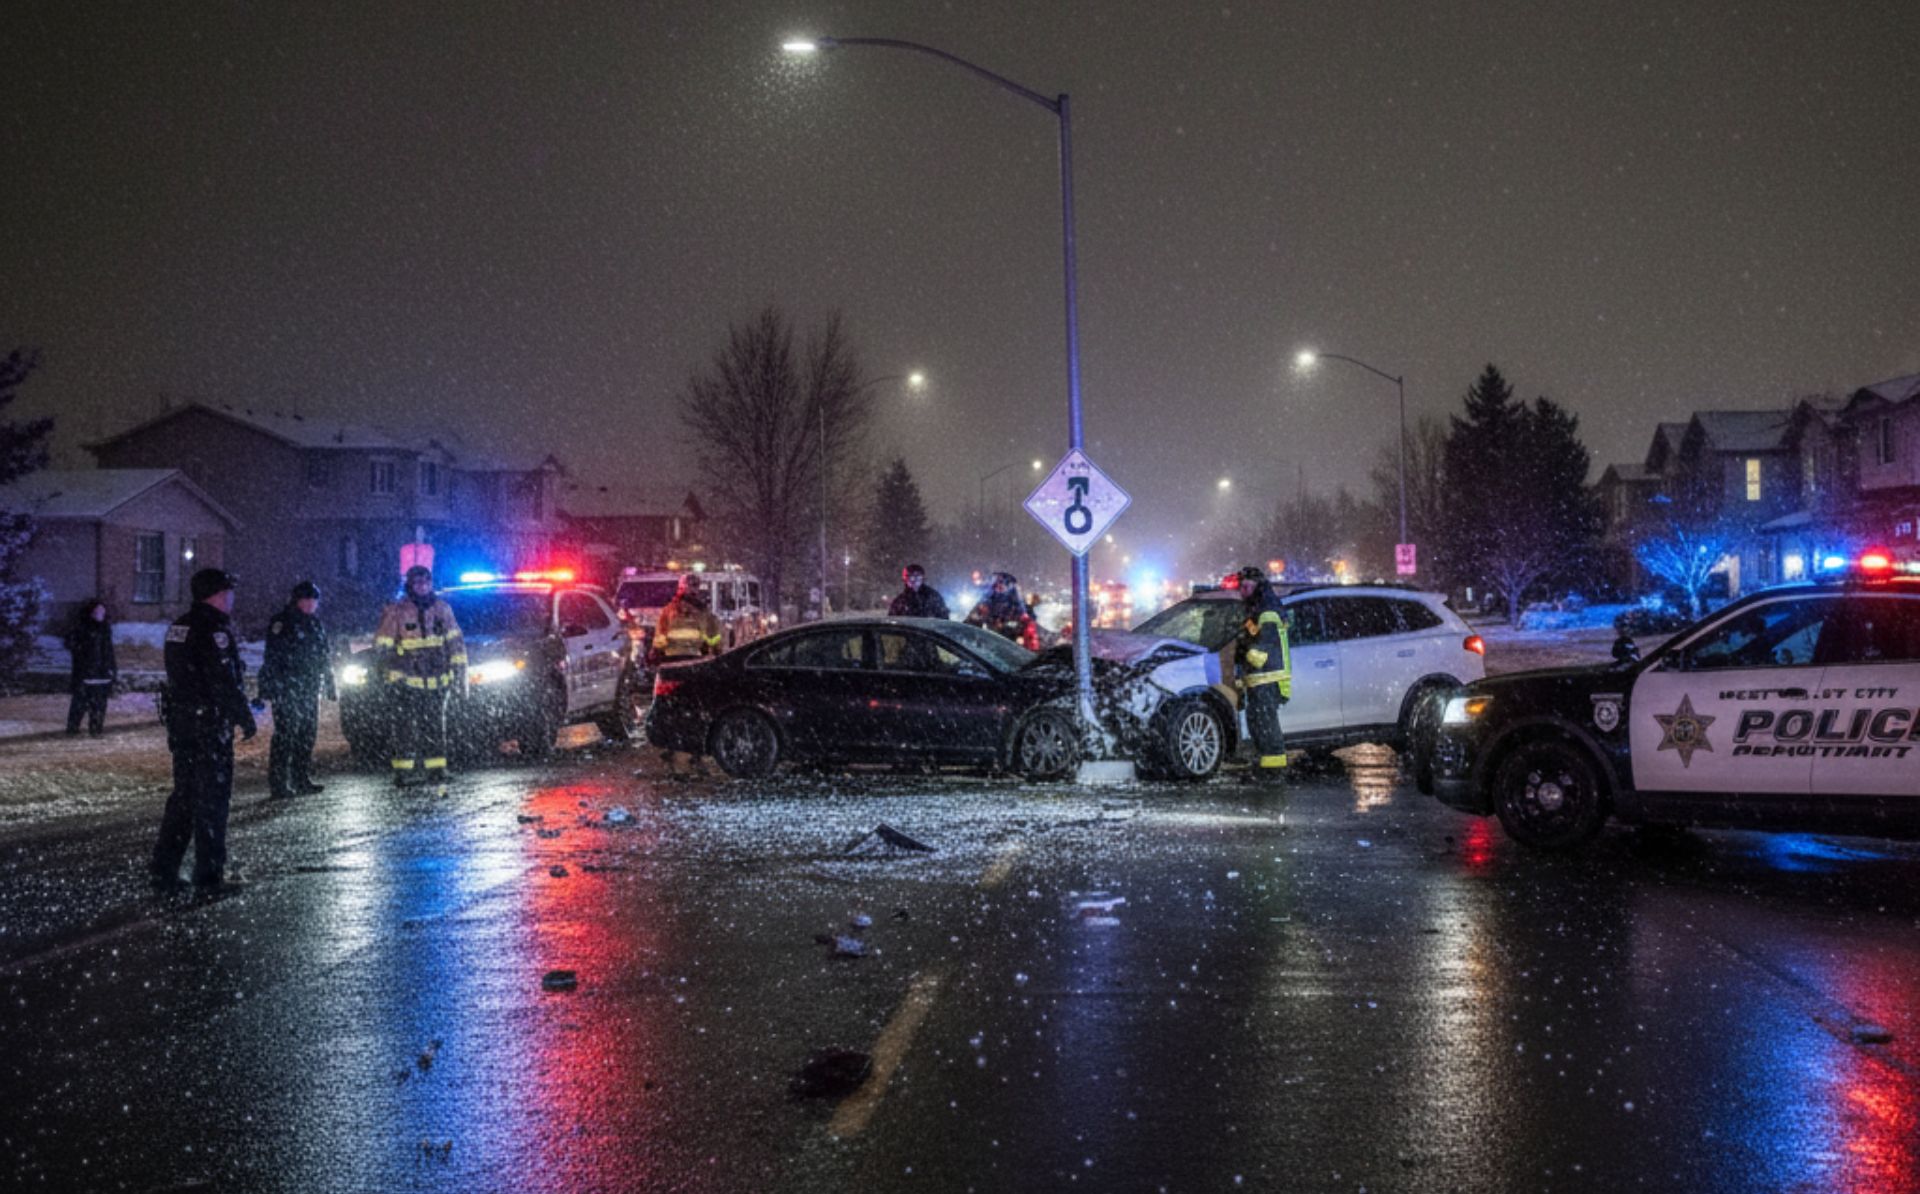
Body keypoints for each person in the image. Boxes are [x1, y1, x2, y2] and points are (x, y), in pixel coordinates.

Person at [150, 569, 256, 891]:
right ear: (217, 594)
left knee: (184, 796)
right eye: (228, 591)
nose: (232, 598)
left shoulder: (178, 627)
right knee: (212, 799)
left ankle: (164, 870)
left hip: (182, 723)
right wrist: (243, 715)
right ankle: (209, 876)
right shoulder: (214, 630)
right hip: (209, 725)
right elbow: (222, 681)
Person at [375, 565, 466, 790]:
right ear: (410, 585)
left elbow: (455, 643)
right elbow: (382, 646)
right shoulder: (397, 611)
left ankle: (436, 769)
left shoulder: (442, 609)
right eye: (418, 583)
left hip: (438, 680)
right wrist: (392, 675)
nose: (423, 587)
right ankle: (403, 773)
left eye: (426, 582)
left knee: (435, 726)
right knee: (406, 728)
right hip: (407, 681)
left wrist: (457, 673)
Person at [259, 580, 335, 799]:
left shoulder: (315, 624)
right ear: (297, 600)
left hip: (309, 688)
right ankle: (280, 782)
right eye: (307, 600)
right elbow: (273, 656)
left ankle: (301, 777)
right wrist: (270, 687)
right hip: (288, 688)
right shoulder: (282, 623)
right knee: (286, 735)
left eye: (314, 601)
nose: (311, 605)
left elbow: (324, 655)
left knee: (306, 735)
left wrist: (329, 682)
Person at [650, 573, 723, 778]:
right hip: (693, 665)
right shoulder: (703, 612)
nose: (692, 589)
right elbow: (714, 638)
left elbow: (660, 640)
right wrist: (716, 653)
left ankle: (675, 752)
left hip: (675, 665)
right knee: (694, 711)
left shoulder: (669, 611)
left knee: (674, 710)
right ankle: (693, 755)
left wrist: (655, 654)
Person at [1235, 565, 1293, 780]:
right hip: (1258, 678)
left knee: (1266, 725)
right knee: (1258, 723)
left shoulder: (1267, 610)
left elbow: (1264, 644)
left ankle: (1274, 771)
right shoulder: (1256, 608)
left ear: (1257, 586)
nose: (1243, 591)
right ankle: (1265, 766)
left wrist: (1247, 655)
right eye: (1241, 587)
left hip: (1268, 677)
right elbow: (1251, 636)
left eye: (1246, 587)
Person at [63, 598, 117, 735]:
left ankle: (96, 728)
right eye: (97, 611)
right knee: (80, 702)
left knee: (99, 703)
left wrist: (112, 668)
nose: (100, 614)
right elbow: (70, 643)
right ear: (90, 612)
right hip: (85, 672)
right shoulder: (81, 627)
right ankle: (73, 729)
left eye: (102, 611)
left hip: (101, 673)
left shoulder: (105, 629)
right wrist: (83, 653)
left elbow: (109, 651)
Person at [965, 572, 1040, 649]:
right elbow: (969, 626)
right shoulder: (986, 603)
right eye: (997, 582)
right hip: (988, 646)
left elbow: (1030, 639)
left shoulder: (1020, 611)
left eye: (1004, 583)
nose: (999, 585)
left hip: (1008, 650)